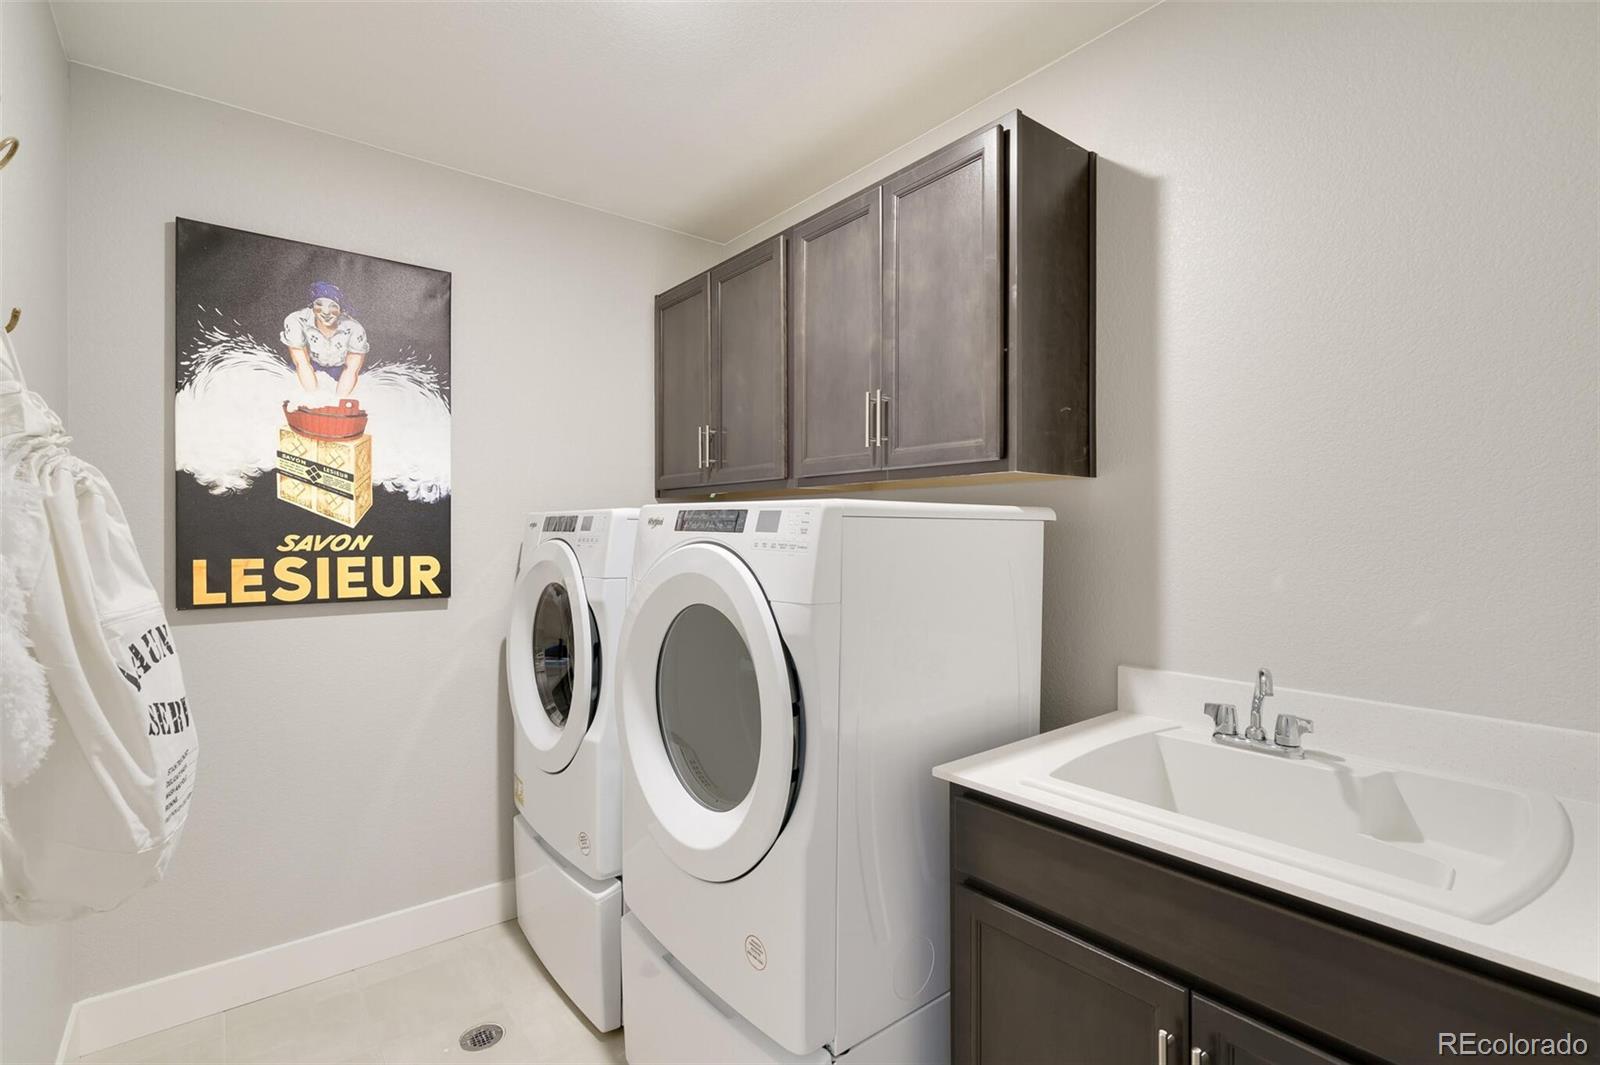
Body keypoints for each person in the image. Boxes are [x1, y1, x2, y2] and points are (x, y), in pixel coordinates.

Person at [281, 282, 369, 398]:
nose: (326, 312)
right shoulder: (296, 320)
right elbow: (301, 363)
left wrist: (338, 402)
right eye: (319, 304)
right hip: (307, 368)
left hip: (341, 372)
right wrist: (314, 399)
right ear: (312, 306)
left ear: (341, 309)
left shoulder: (354, 329)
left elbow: (351, 369)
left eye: (333, 306)